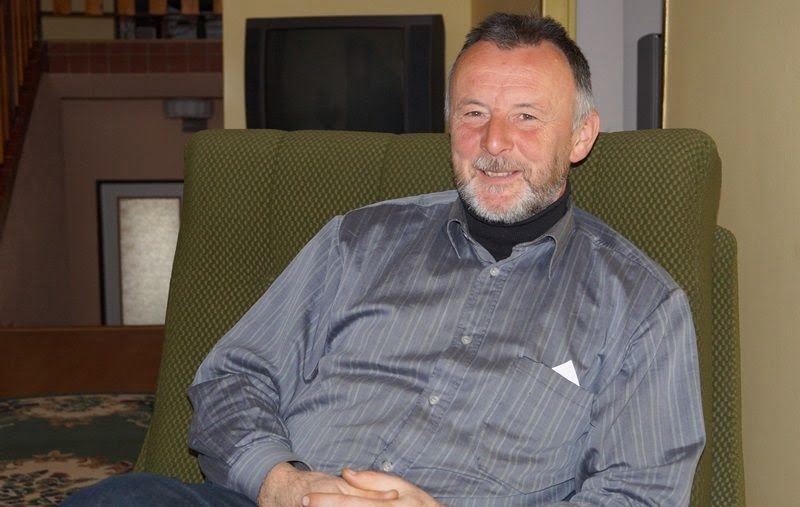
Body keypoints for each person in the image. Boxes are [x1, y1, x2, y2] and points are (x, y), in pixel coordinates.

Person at [63, 12, 704, 507]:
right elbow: (234, 377)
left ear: (582, 135)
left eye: (527, 117)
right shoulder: (359, 240)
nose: (494, 143)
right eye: (473, 113)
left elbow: (639, 495)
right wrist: (282, 483)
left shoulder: (642, 308)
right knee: (118, 499)